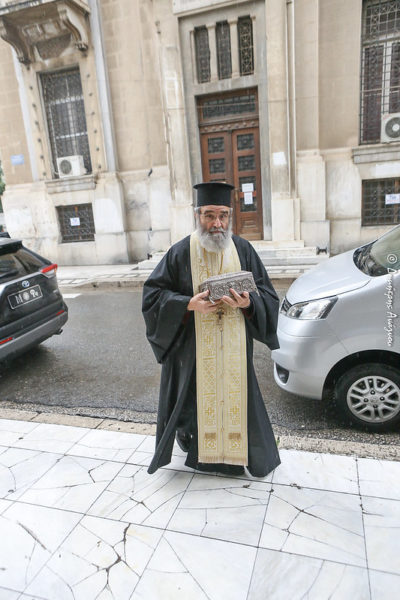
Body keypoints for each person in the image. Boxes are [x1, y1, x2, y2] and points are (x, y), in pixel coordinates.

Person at [142, 182, 281, 477]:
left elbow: (268, 296)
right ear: (197, 216)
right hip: (194, 351)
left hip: (234, 350)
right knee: (195, 404)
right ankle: (202, 454)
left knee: (236, 401)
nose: (217, 223)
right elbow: (153, 295)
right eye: (209, 215)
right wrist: (187, 305)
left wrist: (249, 303)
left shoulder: (243, 249)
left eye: (223, 215)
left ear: (229, 216)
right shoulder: (181, 252)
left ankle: (237, 455)